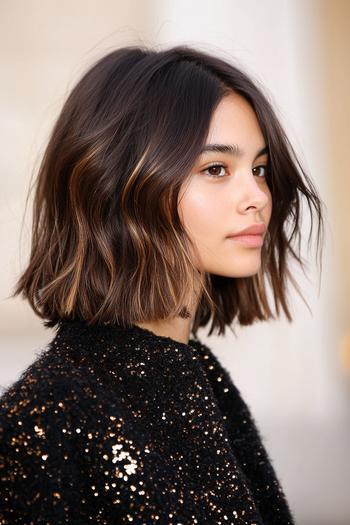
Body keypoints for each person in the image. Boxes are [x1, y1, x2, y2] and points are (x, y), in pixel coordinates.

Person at [0, 44, 324, 524]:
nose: (257, 195)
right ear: (119, 186)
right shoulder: (44, 419)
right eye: (216, 169)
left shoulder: (198, 375)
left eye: (258, 169)